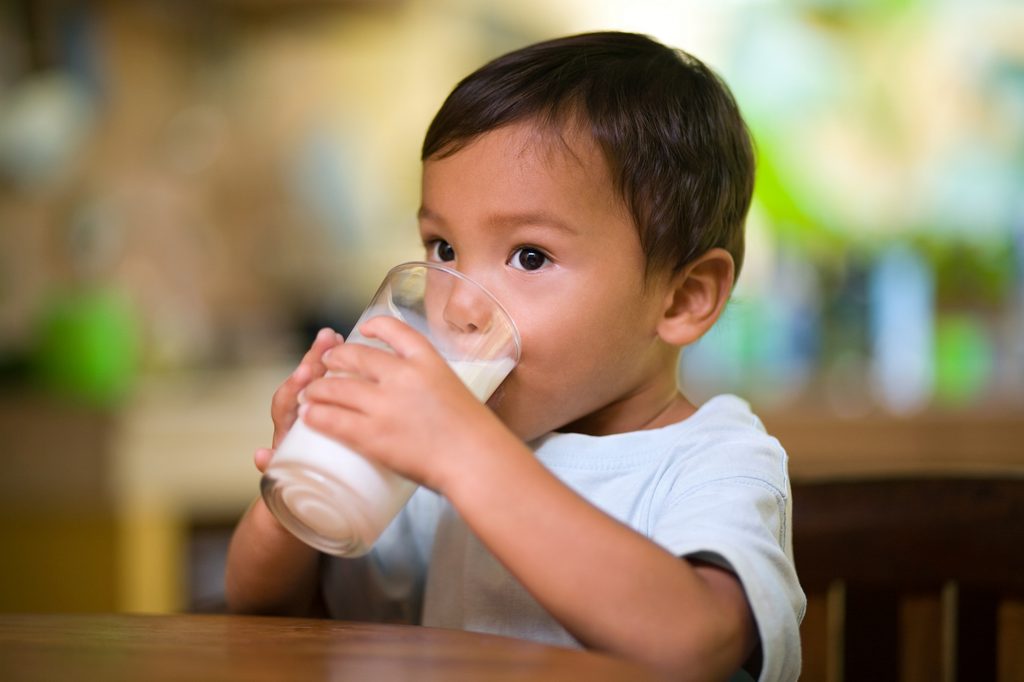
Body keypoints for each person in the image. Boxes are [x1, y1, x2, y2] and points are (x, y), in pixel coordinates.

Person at [226, 31, 804, 682]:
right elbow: (267, 606)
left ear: (681, 299)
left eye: (530, 256)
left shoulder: (714, 461)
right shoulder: (437, 459)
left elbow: (695, 644)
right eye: (442, 248)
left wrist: (462, 454)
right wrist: (296, 485)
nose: (458, 305)